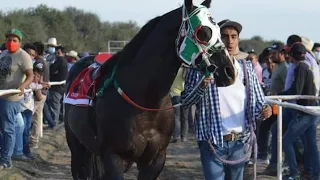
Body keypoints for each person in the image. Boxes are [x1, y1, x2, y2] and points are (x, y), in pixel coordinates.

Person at [181, 19, 272, 180]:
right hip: (212, 142)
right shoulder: (199, 69)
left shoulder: (246, 68)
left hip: (239, 141)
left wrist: (265, 110)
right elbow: (186, 101)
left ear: (238, 39)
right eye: (224, 36)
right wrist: (201, 85)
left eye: (233, 36)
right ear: (216, 39)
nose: (229, 41)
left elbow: (259, 103)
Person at [280, 43, 320, 180]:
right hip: (310, 111)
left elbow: (296, 91)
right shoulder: (305, 66)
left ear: (292, 55)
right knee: (311, 144)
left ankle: (294, 173)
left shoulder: (301, 68)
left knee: (286, 141)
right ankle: (315, 174)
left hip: (305, 112)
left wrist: (281, 95)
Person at [0, 28, 33, 169]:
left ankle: (6, 160)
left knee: (8, 129)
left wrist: (23, 86)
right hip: (1, 94)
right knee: (2, 128)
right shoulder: (4, 54)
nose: (11, 42)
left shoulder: (23, 56)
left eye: (14, 40)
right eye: (9, 39)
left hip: (12, 98)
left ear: (19, 42)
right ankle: (4, 154)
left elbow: (30, 75)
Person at [170, 66, 189, 143]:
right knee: (185, 118)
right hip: (185, 96)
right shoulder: (187, 72)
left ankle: (176, 136)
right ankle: (183, 136)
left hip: (175, 95)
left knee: (176, 117)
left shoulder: (175, 70)